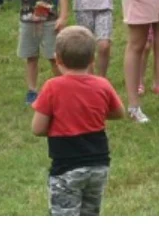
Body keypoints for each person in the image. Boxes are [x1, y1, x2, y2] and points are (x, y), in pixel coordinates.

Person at [31, 26, 125, 216]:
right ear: (92, 59)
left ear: (57, 59)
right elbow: (118, 113)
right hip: (98, 164)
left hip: (67, 166)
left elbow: (37, 128)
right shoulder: (102, 84)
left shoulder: (52, 87)